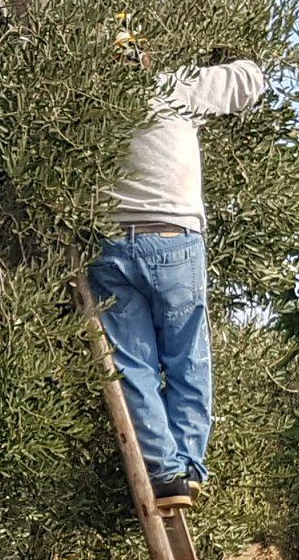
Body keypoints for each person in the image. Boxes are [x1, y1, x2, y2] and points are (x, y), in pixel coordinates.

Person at [91, 49, 266, 502]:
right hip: (173, 241)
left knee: (132, 365)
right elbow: (250, 82)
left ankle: (164, 471)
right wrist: (230, 59)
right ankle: (186, 466)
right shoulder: (174, 87)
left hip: (109, 245)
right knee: (189, 356)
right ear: (143, 58)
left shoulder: (83, 100)